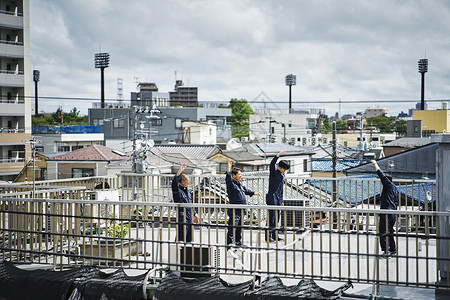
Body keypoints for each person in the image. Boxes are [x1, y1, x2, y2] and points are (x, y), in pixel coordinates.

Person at [226, 160, 260, 247]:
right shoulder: (231, 184)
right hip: (235, 209)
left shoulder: (239, 184)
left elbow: (246, 190)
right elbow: (228, 178)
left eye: (241, 174)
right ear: (234, 175)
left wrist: (253, 193)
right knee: (232, 226)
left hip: (241, 208)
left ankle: (238, 242)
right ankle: (229, 243)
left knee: (239, 227)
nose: (241, 176)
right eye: (239, 174)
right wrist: (229, 168)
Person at [371, 160, 398, 257]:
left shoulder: (388, 186)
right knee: (390, 231)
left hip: (386, 211)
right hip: (392, 213)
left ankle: (386, 251)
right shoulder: (395, 188)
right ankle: (393, 249)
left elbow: (381, 174)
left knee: (383, 231)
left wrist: (375, 164)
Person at [266, 150, 290, 242]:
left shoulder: (282, 175)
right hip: (272, 198)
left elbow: (281, 190)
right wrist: (277, 156)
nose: (284, 171)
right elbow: (271, 164)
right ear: (279, 167)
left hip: (278, 199)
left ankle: (275, 235)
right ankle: (268, 237)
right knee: (271, 219)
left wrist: (282, 201)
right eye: (283, 168)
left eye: (285, 170)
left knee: (277, 218)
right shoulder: (274, 173)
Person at [171, 163, 199, 243]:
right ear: (182, 182)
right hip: (182, 216)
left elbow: (190, 203)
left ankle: (187, 254)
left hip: (189, 216)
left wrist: (195, 214)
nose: (188, 184)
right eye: (187, 182)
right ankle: (177, 253)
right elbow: (174, 183)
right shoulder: (177, 191)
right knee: (181, 238)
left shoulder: (188, 192)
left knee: (189, 239)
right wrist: (180, 171)